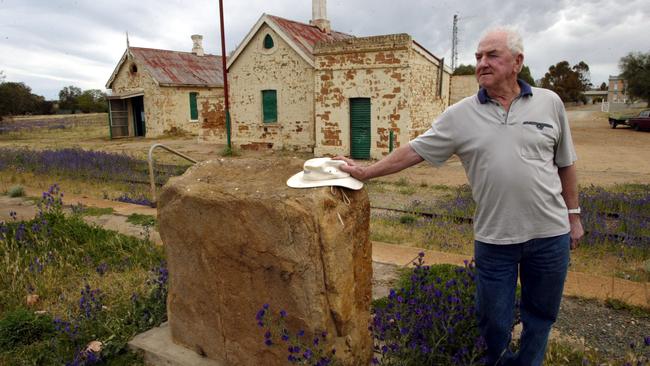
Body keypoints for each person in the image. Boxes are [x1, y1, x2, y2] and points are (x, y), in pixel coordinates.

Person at [336, 27, 584, 365]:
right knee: (493, 321)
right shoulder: (460, 115)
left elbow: (565, 164)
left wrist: (575, 216)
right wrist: (366, 172)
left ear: (517, 62)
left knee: (540, 317)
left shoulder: (549, 103)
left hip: (550, 236)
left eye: (491, 55)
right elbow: (414, 151)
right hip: (495, 240)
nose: (482, 63)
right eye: (478, 56)